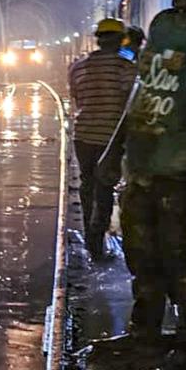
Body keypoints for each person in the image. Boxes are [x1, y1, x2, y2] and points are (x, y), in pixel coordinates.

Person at [119, 0, 186, 347]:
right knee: (142, 252)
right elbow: (145, 85)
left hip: (181, 170)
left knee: (179, 256)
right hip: (145, 161)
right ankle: (144, 332)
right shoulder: (163, 24)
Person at [68, 18, 135, 259]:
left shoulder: (77, 67)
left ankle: (89, 232)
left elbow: (76, 99)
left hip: (83, 134)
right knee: (105, 187)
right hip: (110, 137)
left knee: (87, 185)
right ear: (120, 41)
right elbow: (130, 104)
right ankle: (97, 245)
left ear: (98, 39)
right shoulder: (125, 68)